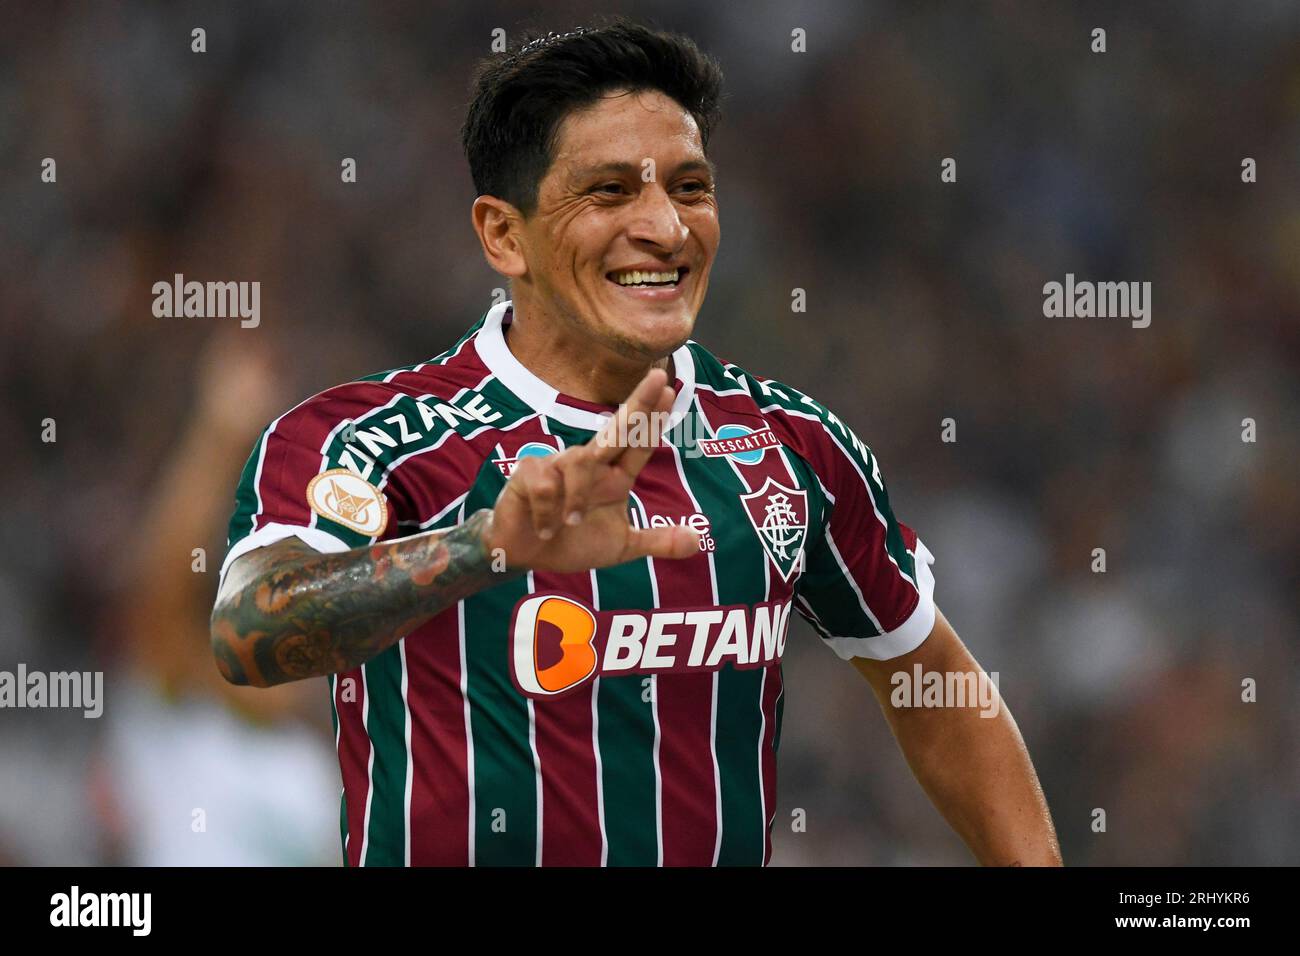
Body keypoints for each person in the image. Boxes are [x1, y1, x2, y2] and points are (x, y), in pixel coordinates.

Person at [210, 19, 1062, 867]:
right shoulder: (369, 440)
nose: (666, 227)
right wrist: (482, 549)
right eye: (610, 191)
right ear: (504, 235)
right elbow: (248, 633)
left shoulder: (788, 445)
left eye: (690, 187)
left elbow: (937, 689)